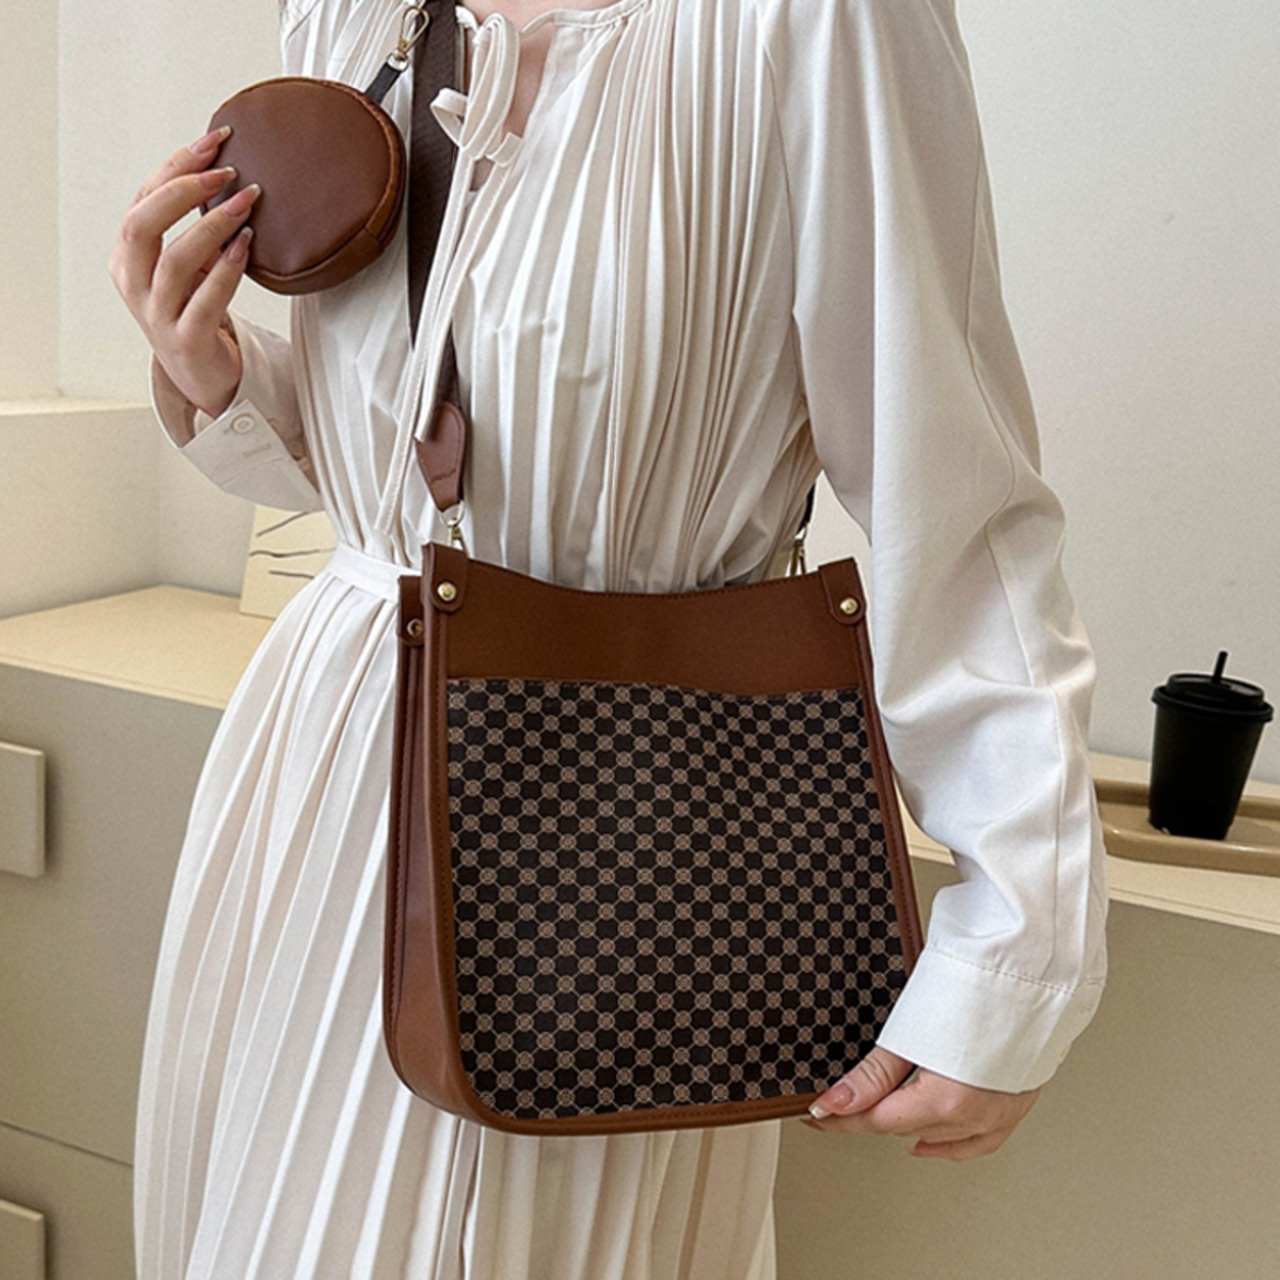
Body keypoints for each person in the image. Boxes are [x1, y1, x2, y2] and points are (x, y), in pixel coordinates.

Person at [109, 0, 1109, 1275]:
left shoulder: (815, 21)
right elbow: (407, 477)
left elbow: (952, 497)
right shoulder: (349, 12)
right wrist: (216, 367)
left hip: (609, 825)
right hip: (322, 780)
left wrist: (1018, 944)